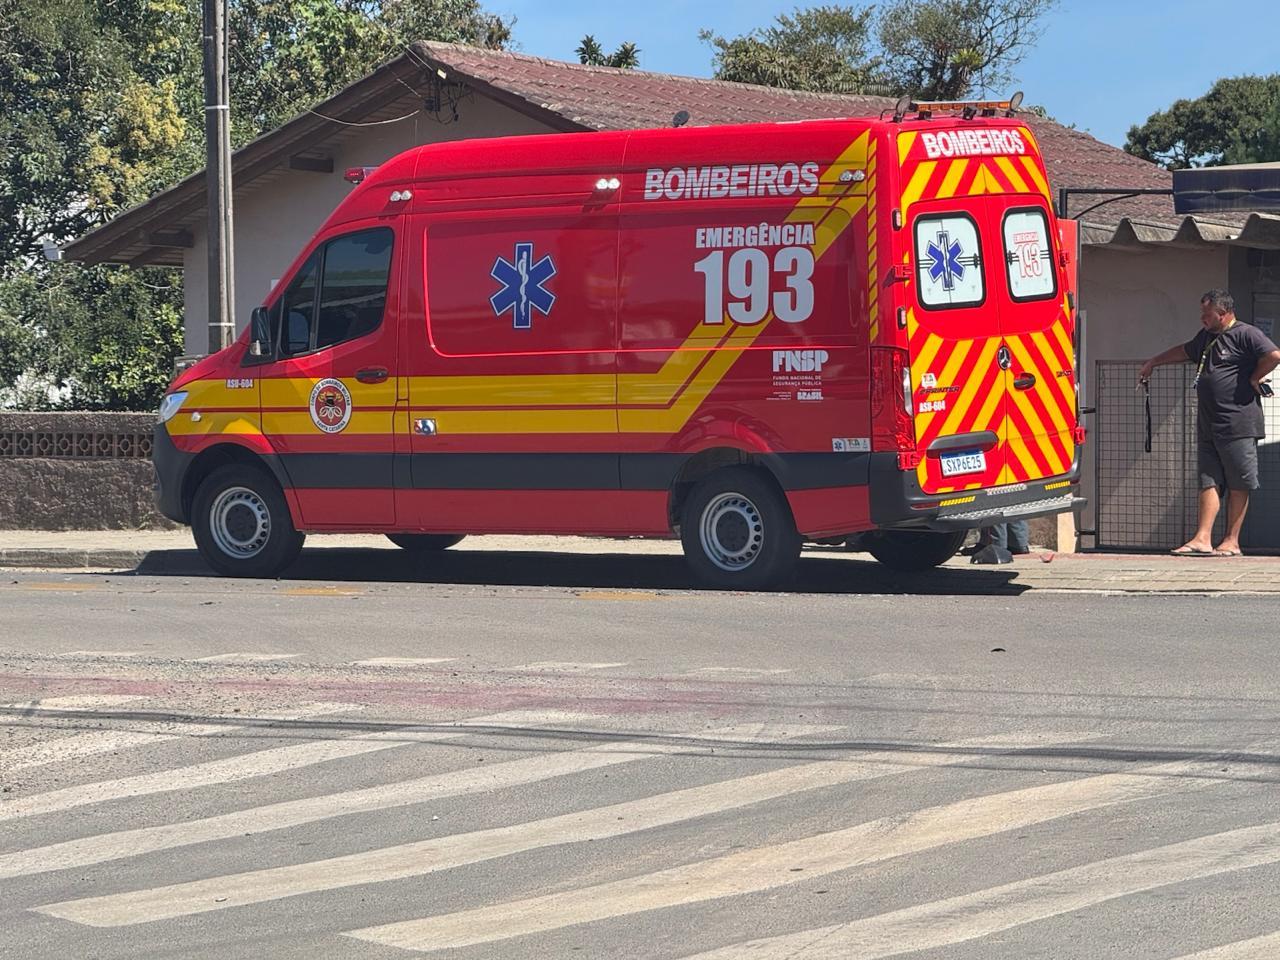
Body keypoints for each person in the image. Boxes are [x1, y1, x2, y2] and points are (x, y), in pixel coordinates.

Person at [1138, 289, 1280, 557]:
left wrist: (1254, 378)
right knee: (1208, 479)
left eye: (1207, 313)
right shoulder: (1206, 337)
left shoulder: (1246, 334)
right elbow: (1184, 350)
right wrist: (1154, 362)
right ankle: (1202, 538)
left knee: (1239, 481)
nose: (1202, 318)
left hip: (1238, 422)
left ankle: (1231, 541)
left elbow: (1273, 355)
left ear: (1223, 313)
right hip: (1208, 423)